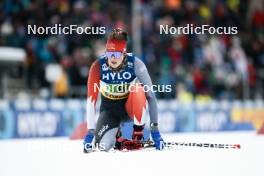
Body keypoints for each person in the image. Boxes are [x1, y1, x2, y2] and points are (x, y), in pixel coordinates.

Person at [83, 28, 164, 152]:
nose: (112, 59)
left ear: (124, 53)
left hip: (129, 108)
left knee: (138, 88)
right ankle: (118, 139)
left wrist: (155, 130)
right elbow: (91, 100)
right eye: (109, 54)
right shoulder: (98, 66)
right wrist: (90, 132)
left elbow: (151, 96)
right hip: (109, 111)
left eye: (117, 54)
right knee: (103, 147)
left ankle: (137, 135)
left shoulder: (136, 64)